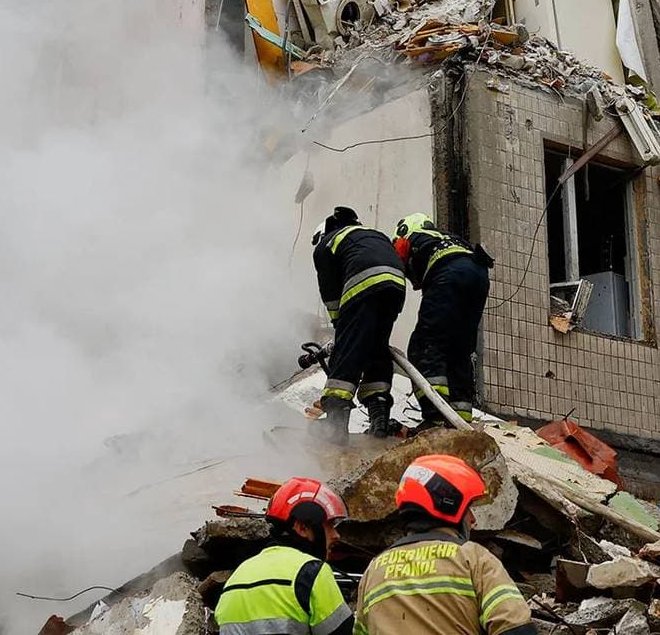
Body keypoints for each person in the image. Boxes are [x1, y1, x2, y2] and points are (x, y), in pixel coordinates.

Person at [354, 455, 536, 635]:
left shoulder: (373, 571)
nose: (472, 519)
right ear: (450, 504)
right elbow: (517, 629)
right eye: (468, 509)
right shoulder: (473, 558)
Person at [312, 206, 408, 439]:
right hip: (395, 285)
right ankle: (380, 419)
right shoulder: (372, 235)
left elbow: (331, 293)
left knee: (350, 348)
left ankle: (335, 423)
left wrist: (340, 327)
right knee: (377, 348)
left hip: (363, 283)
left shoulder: (327, 244)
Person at [216, 477, 354, 635]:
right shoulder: (312, 573)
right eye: (329, 525)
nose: (336, 535)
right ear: (302, 527)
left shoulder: (236, 579)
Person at [393, 213, 493, 426]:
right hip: (479, 275)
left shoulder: (407, 238)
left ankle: (435, 416)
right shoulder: (447, 237)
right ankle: (460, 419)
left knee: (425, 345)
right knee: (459, 350)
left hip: (449, 275)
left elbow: (399, 259)